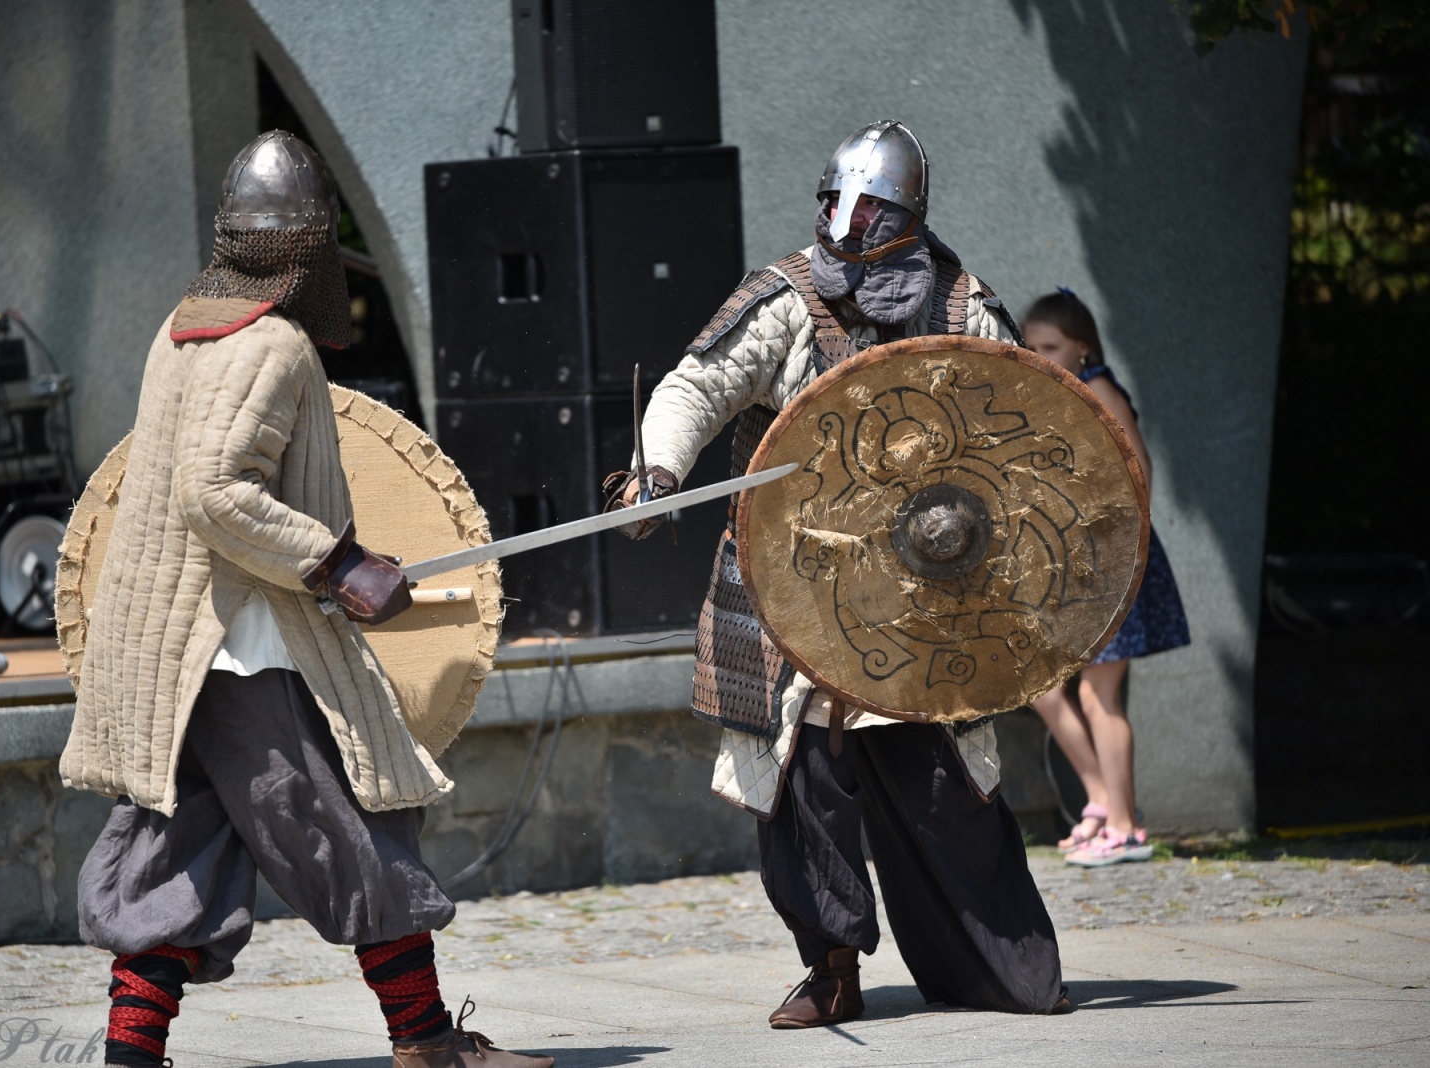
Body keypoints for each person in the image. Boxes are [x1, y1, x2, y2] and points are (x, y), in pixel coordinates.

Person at [60, 131, 553, 1068]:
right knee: (355, 832)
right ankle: (425, 1043)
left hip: (177, 656)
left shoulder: (182, 326)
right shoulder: (275, 344)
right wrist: (337, 563)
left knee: (178, 853)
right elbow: (216, 492)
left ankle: (131, 1056)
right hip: (247, 647)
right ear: (308, 245)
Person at [608, 121, 1070, 1028]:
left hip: (925, 598)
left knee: (949, 793)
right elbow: (698, 383)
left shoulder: (960, 304)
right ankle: (831, 970)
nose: (846, 222)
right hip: (794, 590)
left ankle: (997, 965)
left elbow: (1031, 424)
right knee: (804, 791)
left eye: (868, 207)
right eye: (833, 202)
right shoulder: (784, 296)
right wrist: (658, 468)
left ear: (907, 215)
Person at [1020, 289, 1191, 867]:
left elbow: (1140, 473)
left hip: (1115, 562)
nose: (1038, 355)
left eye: (1050, 346)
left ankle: (1124, 825)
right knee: (1042, 686)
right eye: (1030, 346)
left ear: (1081, 348)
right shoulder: (1061, 396)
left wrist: (1112, 548)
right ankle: (1101, 800)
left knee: (1099, 695)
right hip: (1076, 565)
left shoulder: (1099, 392)